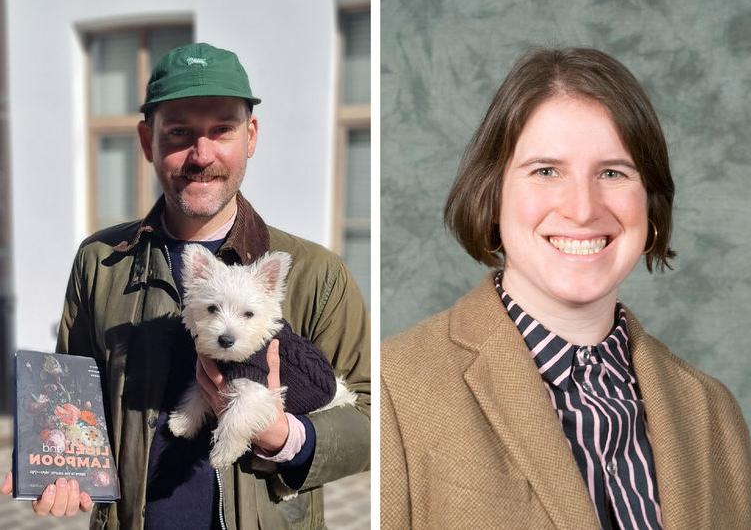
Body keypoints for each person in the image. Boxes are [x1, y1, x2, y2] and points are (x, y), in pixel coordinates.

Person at [2, 42, 370, 528]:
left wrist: (284, 436)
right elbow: (68, 398)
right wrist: (54, 464)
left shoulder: (316, 273)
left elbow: (369, 420)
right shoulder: (101, 263)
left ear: (251, 135)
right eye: (178, 132)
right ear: (145, 140)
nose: (201, 154)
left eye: (222, 130)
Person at [381, 48, 751, 529]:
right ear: (492, 195)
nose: (582, 208)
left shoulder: (712, 411)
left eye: (613, 172)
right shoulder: (397, 387)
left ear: (650, 203)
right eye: (546, 171)